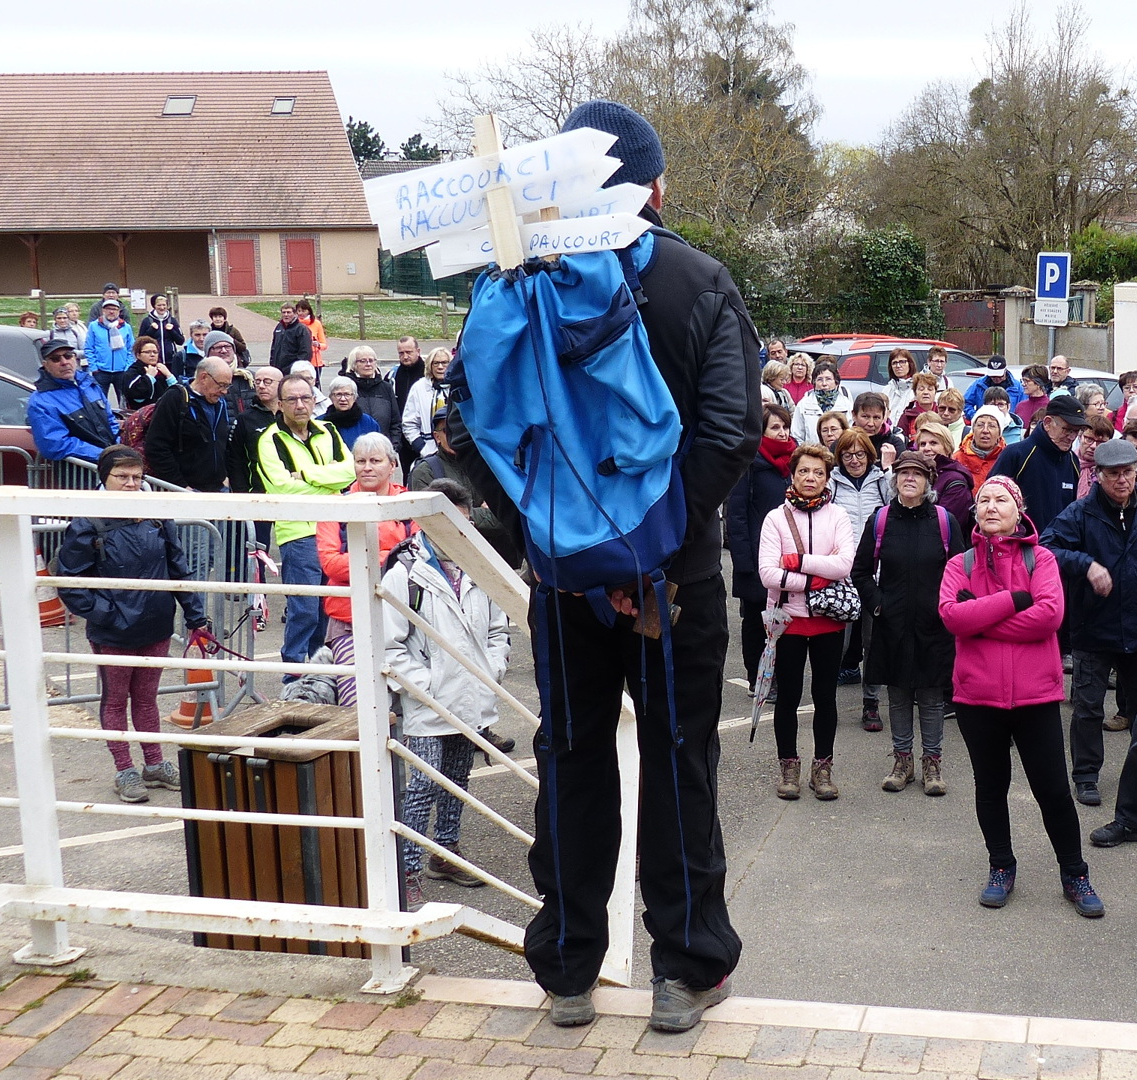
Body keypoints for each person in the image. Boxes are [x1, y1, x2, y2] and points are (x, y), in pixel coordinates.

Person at [475, 99, 755, 1034]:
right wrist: (657, 549)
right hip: (673, 579)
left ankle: (565, 968)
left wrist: (553, 542)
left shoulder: (518, 279)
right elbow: (729, 432)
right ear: (654, 188)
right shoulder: (699, 278)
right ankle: (684, 967)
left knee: (571, 758)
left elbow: (479, 426)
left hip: (563, 576)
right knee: (681, 762)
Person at [940, 475, 1105, 918]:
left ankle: (1075, 872)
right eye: (984, 501)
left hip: (1035, 697)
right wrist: (1015, 599)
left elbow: (1049, 616)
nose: (991, 507)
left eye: (1001, 500)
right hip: (978, 697)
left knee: (1052, 789)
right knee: (990, 788)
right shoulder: (961, 563)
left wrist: (984, 616)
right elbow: (952, 618)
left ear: (1019, 509)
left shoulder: (1042, 558)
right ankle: (1001, 866)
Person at [383, 478, 514, 905]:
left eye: (463, 523)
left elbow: (499, 629)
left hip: (470, 695)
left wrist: (491, 669)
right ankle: (407, 868)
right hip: (427, 701)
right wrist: (424, 687)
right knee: (422, 783)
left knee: (457, 778)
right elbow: (390, 644)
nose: (458, 533)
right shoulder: (406, 572)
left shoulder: (480, 566)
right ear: (426, 524)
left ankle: (446, 850)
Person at [54, 445, 210, 803]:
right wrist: (108, 614)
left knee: (145, 699)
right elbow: (70, 581)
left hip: (156, 624)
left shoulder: (156, 516)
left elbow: (177, 567)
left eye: (137, 477)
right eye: (121, 477)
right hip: (114, 630)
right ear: (104, 479)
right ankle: (124, 769)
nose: (131, 484)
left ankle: (153, 764)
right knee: (115, 700)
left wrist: (195, 616)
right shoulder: (86, 523)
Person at [1043, 437, 1137, 809]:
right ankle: (1085, 776)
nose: (1122, 481)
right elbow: (1047, 548)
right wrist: (1086, 565)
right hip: (1093, 628)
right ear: (1098, 476)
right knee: (1088, 706)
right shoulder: (1080, 513)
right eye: (1113, 474)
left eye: (1128, 472)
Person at [853, 450, 964, 796]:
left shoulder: (945, 521)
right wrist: (878, 606)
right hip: (892, 624)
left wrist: (948, 607)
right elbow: (860, 572)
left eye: (917, 474)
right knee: (898, 695)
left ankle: (933, 764)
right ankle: (902, 761)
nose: (910, 479)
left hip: (934, 624)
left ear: (929, 481)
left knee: (931, 697)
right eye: (903, 473)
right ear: (895, 479)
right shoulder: (881, 520)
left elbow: (961, 571)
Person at [760, 443, 857, 801]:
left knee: (824, 696)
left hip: (829, 621)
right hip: (788, 620)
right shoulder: (775, 518)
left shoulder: (838, 516)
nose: (811, 478)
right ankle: (788, 765)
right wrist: (817, 573)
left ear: (827, 477)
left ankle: (823, 766)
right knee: (787, 696)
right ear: (793, 474)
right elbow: (768, 573)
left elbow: (844, 565)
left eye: (818, 472)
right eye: (804, 471)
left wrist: (795, 561)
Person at [256, 374, 356, 667]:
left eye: (306, 398)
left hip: (334, 530)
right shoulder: (270, 440)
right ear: (280, 404)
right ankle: (294, 674)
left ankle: (320, 670)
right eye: (292, 399)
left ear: (315, 400)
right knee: (305, 610)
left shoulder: (328, 431)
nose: (300, 405)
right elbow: (282, 486)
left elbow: (350, 472)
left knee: (330, 607)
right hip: (298, 535)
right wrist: (328, 481)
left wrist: (308, 475)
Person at [315, 432, 418, 707]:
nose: (367, 467)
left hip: (405, 620)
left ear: (392, 465)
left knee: (408, 704)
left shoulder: (410, 505)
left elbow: (419, 559)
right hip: (348, 621)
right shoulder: (335, 507)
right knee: (356, 707)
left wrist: (359, 558)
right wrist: (391, 556)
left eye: (375, 460)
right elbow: (330, 564)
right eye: (360, 461)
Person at [728, 404, 796, 687]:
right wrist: (745, 563)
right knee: (756, 620)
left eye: (785, 426)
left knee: (786, 616)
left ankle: (781, 673)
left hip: (789, 557)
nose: (782, 433)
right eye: (775, 427)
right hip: (757, 557)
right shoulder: (749, 463)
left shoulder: (796, 462)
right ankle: (756, 676)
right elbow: (737, 514)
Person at [829, 428, 893, 721]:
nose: (854, 460)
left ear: (870, 455)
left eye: (860, 454)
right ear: (838, 457)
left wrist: (889, 471)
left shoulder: (882, 482)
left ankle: (871, 704)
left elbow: (898, 508)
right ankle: (826, 701)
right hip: (840, 573)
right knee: (834, 643)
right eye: (847, 455)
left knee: (872, 642)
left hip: (873, 573)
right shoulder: (831, 484)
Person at [408, 407, 525, 567]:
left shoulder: (491, 465)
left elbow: (505, 517)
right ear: (437, 437)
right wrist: (478, 513)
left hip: (502, 559)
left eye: (460, 428)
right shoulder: (425, 471)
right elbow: (433, 523)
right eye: (447, 430)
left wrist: (459, 514)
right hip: (451, 562)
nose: (455, 434)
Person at [988, 394, 1090, 532]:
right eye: (1067, 429)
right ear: (1048, 423)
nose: (1072, 437)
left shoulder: (1072, 461)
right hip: (1020, 545)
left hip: (1057, 548)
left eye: (1076, 431)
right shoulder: (1016, 454)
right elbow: (990, 499)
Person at [144, 356, 235, 492]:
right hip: (185, 490)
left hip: (219, 487)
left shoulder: (219, 402)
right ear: (204, 377)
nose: (225, 391)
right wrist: (180, 486)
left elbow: (223, 443)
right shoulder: (175, 399)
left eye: (227, 386)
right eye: (221, 385)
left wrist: (226, 476)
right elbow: (156, 447)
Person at [29, 339, 118, 463]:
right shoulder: (41, 401)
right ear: (45, 365)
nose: (64, 362)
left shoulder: (90, 384)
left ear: (75, 358)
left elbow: (110, 420)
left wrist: (119, 448)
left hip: (110, 466)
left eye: (68, 356)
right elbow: (54, 445)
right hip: (78, 475)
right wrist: (103, 455)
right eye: (55, 359)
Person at [228, 365, 283, 495]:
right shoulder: (245, 419)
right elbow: (235, 459)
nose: (262, 386)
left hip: (288, 490)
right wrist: (241, 492)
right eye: (257, 382)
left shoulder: (290, 416)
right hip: (256, 491)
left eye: (268, 381)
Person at [911, 420, 973, 534]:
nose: (926, 448)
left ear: (947, 447)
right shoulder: (917, 475)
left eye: (933, 443)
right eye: (922, 444)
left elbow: (947, 525)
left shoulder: (955, 481)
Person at [348, 347, 403, 454]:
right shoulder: (348, 387)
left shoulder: (386, 388)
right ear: (354, 364)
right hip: (355, 451)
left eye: (371, 360)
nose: (368, 364)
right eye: (363, 361)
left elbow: (395, 421)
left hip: (383, 450)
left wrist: (393, 446)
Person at [402, 348, 453, 460]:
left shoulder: (457, 387)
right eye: (436, 363)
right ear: (430, 365)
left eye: (444, 362)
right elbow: (409, 423)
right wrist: (422, 447)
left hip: (456, 450)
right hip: (429, 452)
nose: (440, 367)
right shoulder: (419, 388)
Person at [83, 297, 135, 404]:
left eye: (114, 309)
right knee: (100, 402)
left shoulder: (126, 327)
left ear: (119, 311)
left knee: (125, 402)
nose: (111, 311)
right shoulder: (94, 326)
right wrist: (94, 367)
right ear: (103, 311)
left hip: (122, 371)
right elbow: (89, 348)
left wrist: (128, 367)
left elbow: (132, 349)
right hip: (101, 371)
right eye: (108, 309)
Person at [791, 361, 848, 445]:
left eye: (828, 379)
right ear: (814, 382)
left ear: (836, 382)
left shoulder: (846, 404)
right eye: (820, 380)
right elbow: (796, 435)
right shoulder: (803, 404)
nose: (824, 384)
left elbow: (849, 433)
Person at [320, 376, 380, 448]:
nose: (343, 399)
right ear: (331, 397)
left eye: (347, 394)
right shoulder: (320, 422)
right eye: (338, 394)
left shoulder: (368, 423)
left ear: (354, 397)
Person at [119, 336, 175, 413]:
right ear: (138, 355)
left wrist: (169, 375)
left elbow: (176, 394)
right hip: (141, 417)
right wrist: (149, 377)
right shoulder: (132, 373)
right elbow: (137, 397)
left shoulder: (162, 370)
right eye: (147, 352)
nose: (152, 355)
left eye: (155, 352)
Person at [956, 405, 1010, 485]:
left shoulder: (1008, 460)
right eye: (980, 425)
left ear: (999, 433)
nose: (985, 430)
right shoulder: (957, 459)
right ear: (973, 430)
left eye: (992, 426)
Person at [963, 355, 1025, 419]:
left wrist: (1013, 422)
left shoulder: (1017, 387)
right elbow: (965, 403)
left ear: (1005, 371)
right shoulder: (978, 384)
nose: (996, 379)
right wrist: (976, 416)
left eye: (999, 376)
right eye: (993, 376)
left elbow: (1023, 409)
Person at [850, 391, 904, 460]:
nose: (871, 424)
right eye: (865, 416)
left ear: (884, 418)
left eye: (876, 418)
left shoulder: (895, 444)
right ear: (854, 415)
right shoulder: (842, 443)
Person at [138, 293, 185, 371]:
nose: (162, 307)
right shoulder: (147, 321)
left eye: (164, 305)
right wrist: (151, 330)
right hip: (152, 361)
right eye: (159, 305)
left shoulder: (172, 320)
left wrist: (172, 331)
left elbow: (180, 341)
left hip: (170, 361)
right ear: (154, 306)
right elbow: (140, 341)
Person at [270, 302, 313, 370]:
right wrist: (272, 364)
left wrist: (296, 368)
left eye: (289, 312)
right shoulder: (279, 327)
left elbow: (305, 352)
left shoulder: (301, 329)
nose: (286, 315)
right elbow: (273, 348)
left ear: (295, 313)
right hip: (277, 370)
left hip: (293, 370)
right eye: (284, 312)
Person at [896, 372, 940, 438]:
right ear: (915, 393)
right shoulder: (907, 416)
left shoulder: (942, 413)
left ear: (935, 392)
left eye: (930, 389)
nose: (925, 392)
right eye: (921, 389)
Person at [884, 348, 919, 418]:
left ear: (910, 364)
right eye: (894, 363)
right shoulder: (887, 389)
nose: (898, 366)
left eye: (902, 362)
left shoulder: (918, 388)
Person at [297, 299, 328, 374]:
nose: (301, 313)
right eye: (299, 311)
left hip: (315, 361)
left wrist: (317, 344)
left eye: (303, 311)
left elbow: (324, 344)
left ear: (309, 311)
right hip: (298, 361)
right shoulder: (295, 324)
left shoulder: (316, 323)